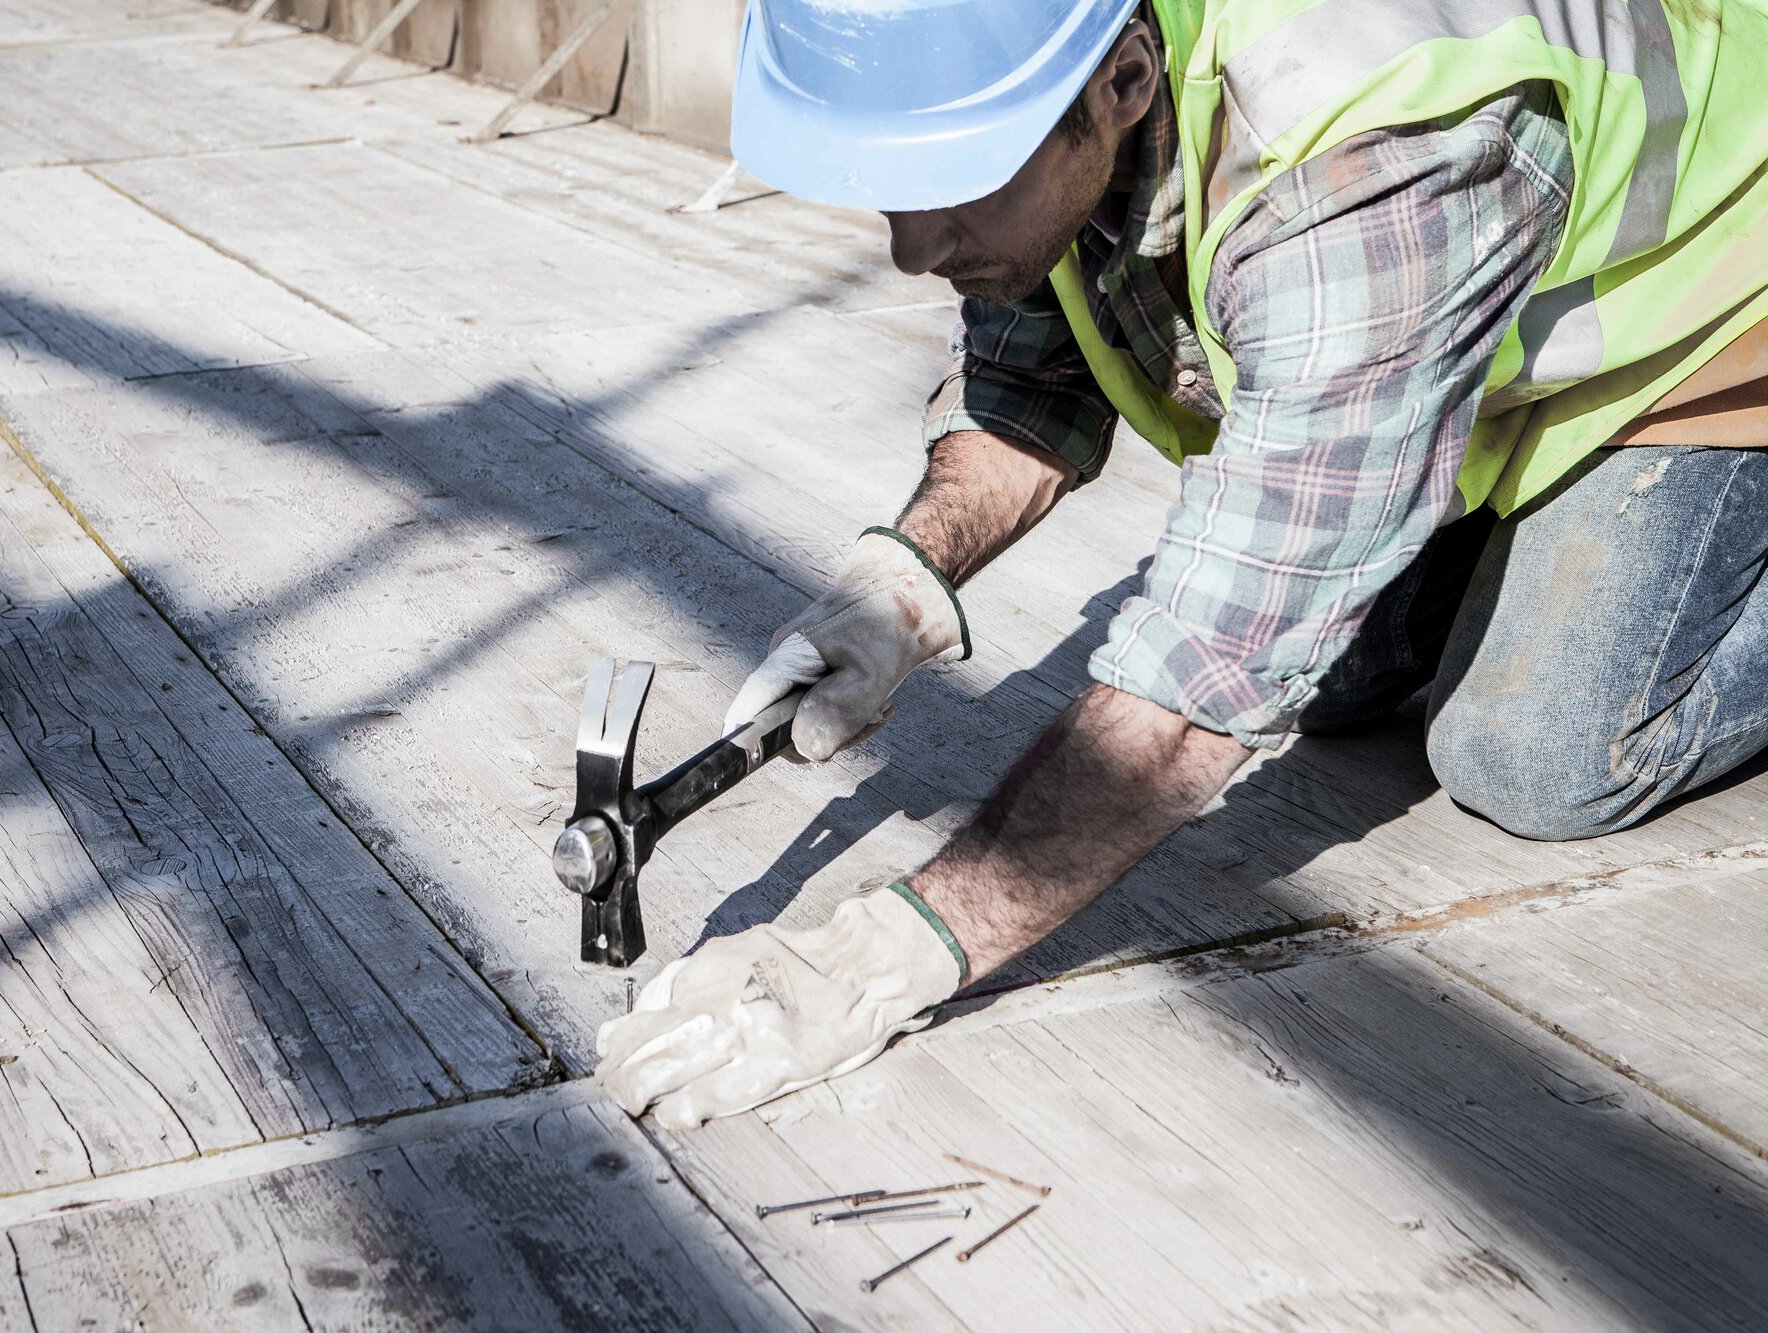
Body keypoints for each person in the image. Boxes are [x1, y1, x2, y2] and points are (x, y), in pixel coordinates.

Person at [596, 0, 1768, 1130]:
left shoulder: (1367, 142)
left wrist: (885, 952)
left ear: (1121, 82)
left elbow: (1210, 670)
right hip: (1471, 347)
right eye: (889, 190)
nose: (913, 249)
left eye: (951, 182)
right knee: (1337, 684)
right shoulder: (1061, 105)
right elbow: (1031, 389)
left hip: (1706, 305)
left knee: (1529, 756)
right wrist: (900, 583)